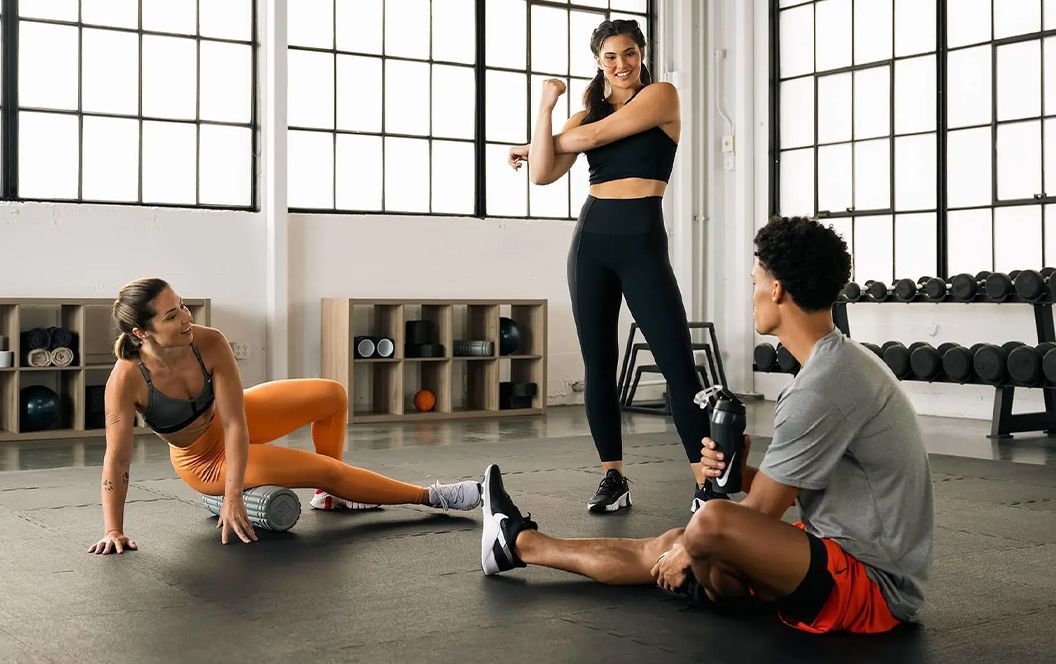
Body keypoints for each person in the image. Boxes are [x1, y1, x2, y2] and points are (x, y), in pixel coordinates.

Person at [478, 216, 934, 634]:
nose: (752, 293)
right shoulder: (837, 364)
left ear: (776, 290)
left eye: (754, 282)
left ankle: (700, 575)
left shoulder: (823, 384)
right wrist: (738, 475)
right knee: (678, 538)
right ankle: (520, 544)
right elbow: (792, 493)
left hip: (871, 586)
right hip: (829, 553)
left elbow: (754, 515)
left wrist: (694, 547)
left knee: (708, 523)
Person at [90, 278, 481, 554]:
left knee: (332, 395)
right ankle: (432, 496)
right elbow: (118, 460)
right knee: (322, 468)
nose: (186, 317)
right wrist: (114, 530)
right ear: (142, 332)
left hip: (230, 421)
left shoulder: (208, 342)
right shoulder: (126, 381)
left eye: (183, 306)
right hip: (204, 460)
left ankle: (332, 498)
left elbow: (234, 422)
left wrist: (234, 496)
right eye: (171, 315)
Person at [509, 18, 711, 513]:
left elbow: (599, 137)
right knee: (598, 366)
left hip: (642, 241)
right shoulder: (579, 116)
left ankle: (708, 484)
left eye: (629, 54)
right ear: (598, 62)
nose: (621, 65)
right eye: (610, 57)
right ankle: (612, 477)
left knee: (678, 364)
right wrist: (546, 107)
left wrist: (544, 143)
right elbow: (539, 175)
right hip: (592, 242)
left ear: (642, 54)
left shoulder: (661, 96)